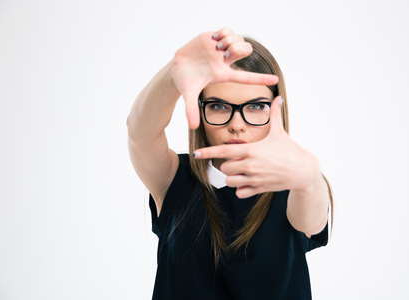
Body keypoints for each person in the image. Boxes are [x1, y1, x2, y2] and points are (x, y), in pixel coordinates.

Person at [127, 27, 333, 300]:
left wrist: (309, 176)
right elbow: (140, 132)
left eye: (256, 107)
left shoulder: (296, 185)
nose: (237, 125)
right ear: (200, 109)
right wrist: (173, 72)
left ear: (277, 110)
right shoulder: (175, 179)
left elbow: (312, 218)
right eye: (219, 106)